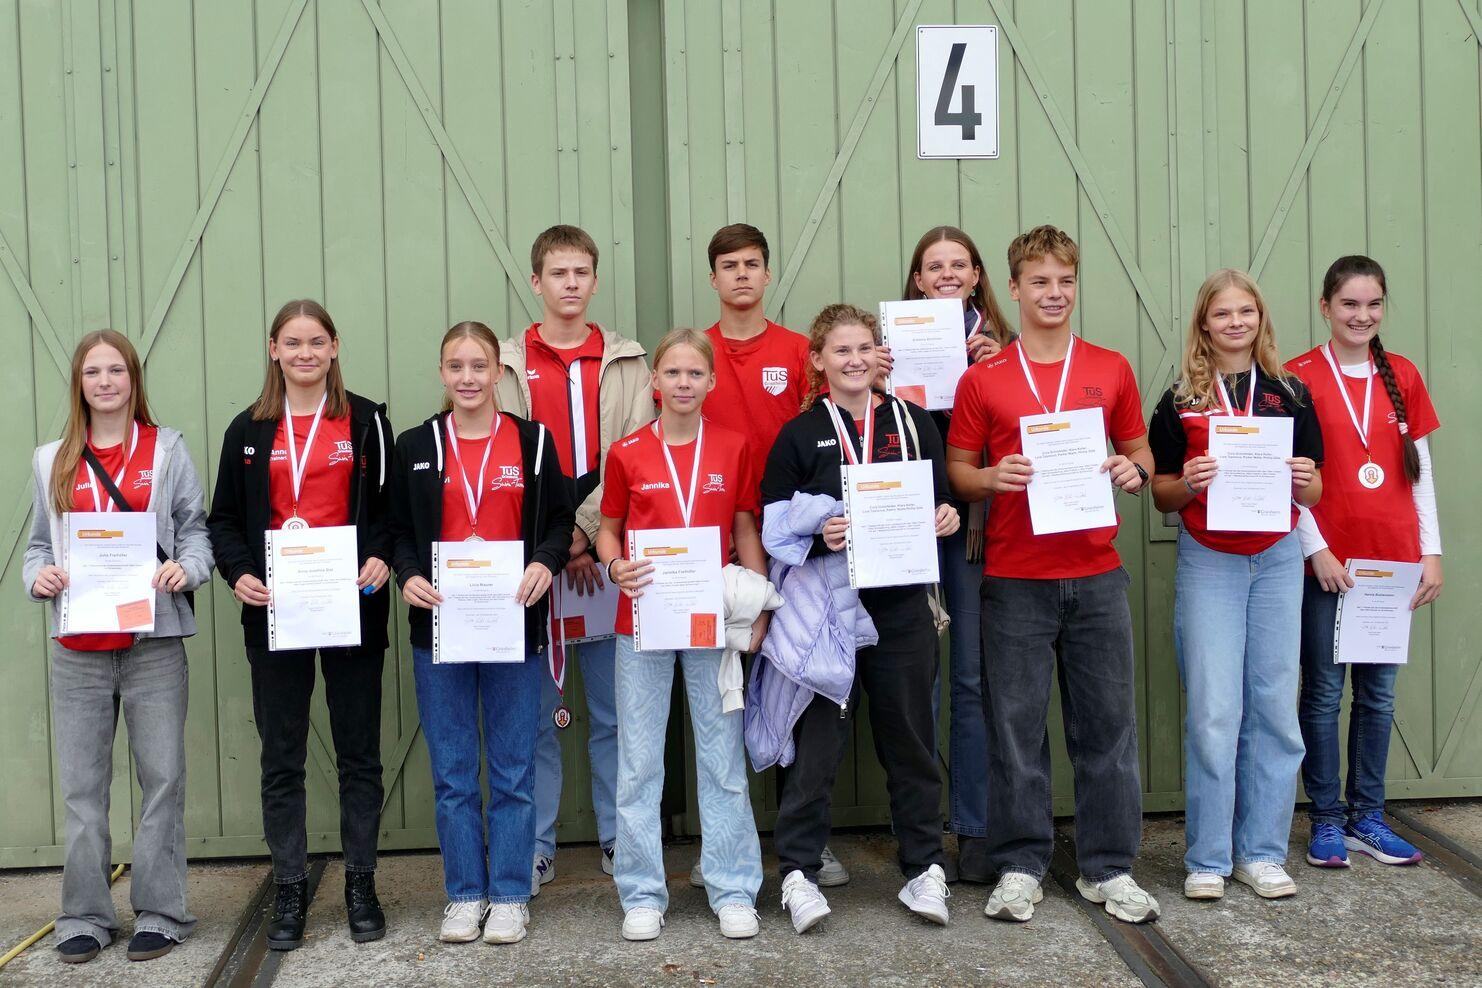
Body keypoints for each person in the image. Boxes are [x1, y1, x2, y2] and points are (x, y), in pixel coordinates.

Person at [945, 225, 1159, 925]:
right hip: (1015, 577)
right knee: (1015, 731)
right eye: (1039, 281)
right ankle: (1019, 864)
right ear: (1012, 288)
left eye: (1065, 280)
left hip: (1096, 574)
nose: (1054, 293)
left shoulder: (1112, 367)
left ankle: (1108, 867)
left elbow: (1142, 458)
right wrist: (989, 478)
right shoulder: (985, 378)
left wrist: (1135, 471)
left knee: (1107, 730)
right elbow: (958, 470)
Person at [763, 303, 961, 933]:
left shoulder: (913, 421)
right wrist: (822, 530)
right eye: (840, 351)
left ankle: (925, 866)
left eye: (864, 349)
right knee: (816, 742)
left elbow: (942, 497)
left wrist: (947, 515)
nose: (854, 360)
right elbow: (773, 521)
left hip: (900, 602)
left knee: (909, 734)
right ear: (819, 361)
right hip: (827, 605)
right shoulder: (799, 434)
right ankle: (798, 871)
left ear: (880, 354)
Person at [209, 301, 394, 950]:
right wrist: (237, 573)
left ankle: (360, 884)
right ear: (273, 349)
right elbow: (223, 520)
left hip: (351, 606)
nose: (306, 353)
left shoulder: (367, 422)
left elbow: (392, 514)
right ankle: (289, 888)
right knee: (281, 757)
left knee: (358, 755)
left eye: (317, 341)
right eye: (293, 343)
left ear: (335, 346)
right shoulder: (249, 430)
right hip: (276, 612)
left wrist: (380, 556)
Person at [25, 330, 212, 965]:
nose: (105, 382)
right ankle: (84, 914)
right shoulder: (52, 459)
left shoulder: (165, 450)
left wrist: (186, 569)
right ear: (79, 383)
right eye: (92, 372)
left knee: (162, 779)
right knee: (82, 788)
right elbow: (38, 551)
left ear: (133, 379)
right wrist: (37, 579)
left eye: (116, 371)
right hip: (77, 645)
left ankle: (162, 911)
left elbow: (195, 533)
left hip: (151, 641)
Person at [389, 322, 573, 945]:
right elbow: (396, 531)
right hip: (438, 624)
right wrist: (407, 574)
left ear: (499, 373)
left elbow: (559, 517)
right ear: (442, 374)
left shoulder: (535, 441)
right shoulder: (416, 444)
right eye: (455, 366)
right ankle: (465, 893)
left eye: (479, 365)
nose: (468, 377)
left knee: (515, 768)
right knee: (454, 771)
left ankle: (512, 893)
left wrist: (546, 561)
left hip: (512, 625)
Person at [1148, 269, 1323, 901]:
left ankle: (1263, 852)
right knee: (1215, 711)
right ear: (1204, 323)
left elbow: (1317, 488)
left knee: (1275, 707)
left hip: (1276, 558)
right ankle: (1208, 858)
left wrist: (1306, 479)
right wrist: (1188, 480)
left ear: (1260, 318)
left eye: (1245, 311)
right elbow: (1161, 492)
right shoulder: (1179, 399)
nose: (1235, 323)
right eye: (1222, 314)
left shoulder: (1291, 393)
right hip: (1210, 559)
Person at [684, 223, 847, 890]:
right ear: (714, 277)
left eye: (753, 263)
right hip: (711, 542)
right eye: (729, 265)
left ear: (768, 274)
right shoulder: (697, 351)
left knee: (795, 689)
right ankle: (724, 845)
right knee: (721, 697)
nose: (742, 275)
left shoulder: (798, 354)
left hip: (790, 547)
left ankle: (804, 845)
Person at [595, 327, 768, 942]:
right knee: (639, 762)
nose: (684, 384)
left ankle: (732, 885)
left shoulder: (734, 445)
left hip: (712, 620)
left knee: (721, 758)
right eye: (673, 373)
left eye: (696, 374)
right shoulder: (627, 453)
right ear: (655, 382)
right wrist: (615, 567)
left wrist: (759, 603)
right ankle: (642, 891)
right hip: (641, 619)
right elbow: (607, 529)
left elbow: (746, 528)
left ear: (712, 382)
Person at [497, 225, 653, 891]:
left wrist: (587, 533)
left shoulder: (628, 361)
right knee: (536, 718)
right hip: (537, 562)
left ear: (594, 281)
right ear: (536, 282)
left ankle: (621, 841)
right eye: (556, 273)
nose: (569, 283)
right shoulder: (505, 363)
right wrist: (558, 545)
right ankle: (537, 846)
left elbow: (637, 450)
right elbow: (502, 457)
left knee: (617, 715)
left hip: (606, 554)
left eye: (580, 272)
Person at [1288, 255, 1441, 869]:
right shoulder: (1298, 376)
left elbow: (1421, 472)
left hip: (1393, 567)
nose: (1362, 315)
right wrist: (1315, 547)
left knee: (1377, 698)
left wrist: (1431, 552)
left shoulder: (1401, 373)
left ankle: (1367, 818)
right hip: (1331, 565)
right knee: (1324, 695)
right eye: (1349, 304)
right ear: (1325, 306)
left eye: (1373, 304)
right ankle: (1326, 818)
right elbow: (1285, 476)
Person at [899, 225, 1014, 883]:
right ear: (917, 280)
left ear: (976, 276)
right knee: (917, 682)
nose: (945, 274)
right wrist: (881, 378)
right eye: (933, 265)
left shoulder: (1003, 349)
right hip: (907, 529)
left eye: (958, 265)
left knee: (970, 680)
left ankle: (973, 830)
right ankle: (919, 837)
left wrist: (991, 368)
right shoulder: (891, 346)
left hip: (973, 529)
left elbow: (1029, 434)